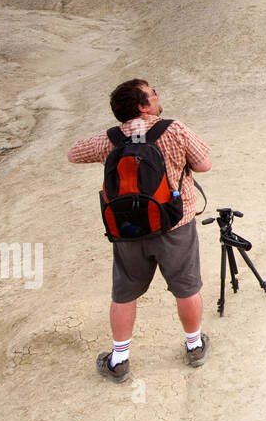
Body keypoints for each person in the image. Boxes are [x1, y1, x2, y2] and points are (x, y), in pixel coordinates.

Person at [68, 79, 212, 382]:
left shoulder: (110, 139)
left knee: (124, 293)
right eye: (152, 93)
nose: (157, 96)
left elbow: (74, 153)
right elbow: (204, 164)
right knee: (186, 287)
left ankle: (119, 360)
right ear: (142, 105)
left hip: (127, 228)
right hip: (175, 224)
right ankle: (194, 346)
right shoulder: (174, 130)